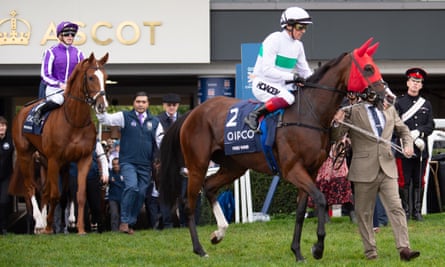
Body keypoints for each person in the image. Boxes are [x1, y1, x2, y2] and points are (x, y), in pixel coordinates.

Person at [332, 98, 420, 261]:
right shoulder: (351, 111)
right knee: (364, 213)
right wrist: (337, 122)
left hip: (387, 167)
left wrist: (408, 144)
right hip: (363, 169)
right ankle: (370, 252)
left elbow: (404, 130)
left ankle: (404, 249)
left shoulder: (390, 108)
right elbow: (337, 136)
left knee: (396, 207)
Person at [96, 91, 163, 234]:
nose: (140, 104)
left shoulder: (155, 122)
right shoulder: (124, 116)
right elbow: (105, 119)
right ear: (134, 103)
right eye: (138, 101)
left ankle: (129, 223)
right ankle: (125, 222)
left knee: (141, 193)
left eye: (143, 102)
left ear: (148, 104)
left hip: (146, 165)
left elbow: (162, 142)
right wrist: (100, 109)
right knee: (132, 187)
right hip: (128, 163)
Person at [244, 6, 313, 131]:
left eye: (305, 27)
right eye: (300, 27)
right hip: (262, 83)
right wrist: (293, 77)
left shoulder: (299, 46)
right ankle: (254, 115)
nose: (303, 31)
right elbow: (267, 70)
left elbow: (305, 71)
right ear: (288, 26)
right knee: (289, 98)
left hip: (282, 86)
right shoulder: (274, 39)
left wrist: (316, 82)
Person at [395, 67, 434, 221]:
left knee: (419, 180)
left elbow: (430, 125)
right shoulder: (399, 102)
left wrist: (419, 133)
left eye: (418, 82)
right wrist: (408, 137)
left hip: (420, 149)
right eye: (413, 81)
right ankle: (404, 211)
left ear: (421, 85)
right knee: (403, 181)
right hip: (403, 148)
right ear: (407, 82)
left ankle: (416, 212)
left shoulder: (426, 104)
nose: (415, 84)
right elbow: (395, 125)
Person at [33, 21, 85, 125]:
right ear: (60, 36)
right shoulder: (51, 52)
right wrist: (59, 84)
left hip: (72, 91)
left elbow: (82, 74)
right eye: (66, 34)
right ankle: (40, 111)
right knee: (59, 100)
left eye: (72, 34)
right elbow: (45, 74)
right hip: (55, 89)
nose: (70, 36)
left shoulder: (79, 53)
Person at [0, 116, 14, 235]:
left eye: (3, 125)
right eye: (0, 126)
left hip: (6, 176)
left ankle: (4, 227)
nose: (1, 128)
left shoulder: (10, 140)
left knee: (4, 201)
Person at [108, 157, 124, 232]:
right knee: (114, 214)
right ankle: (114, 231)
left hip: (123, 197)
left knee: (122, 215)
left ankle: (122, 230)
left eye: (117, 164)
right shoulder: (109, 173)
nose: (115, 166)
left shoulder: (124, 172)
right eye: (113, 164)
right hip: (112, 198)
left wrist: (114, 181)